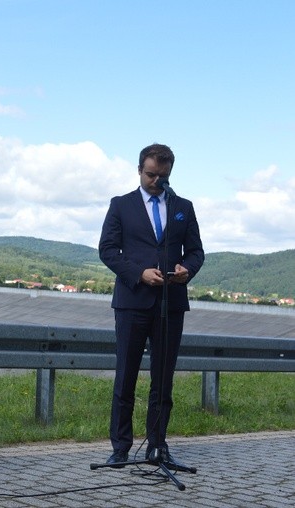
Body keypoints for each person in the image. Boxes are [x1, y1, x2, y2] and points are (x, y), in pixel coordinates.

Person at [98, 143, 204, 469]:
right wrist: (139, 274)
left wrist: (188, 269)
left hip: (170, 305)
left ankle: (157, 445)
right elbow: (107, 249)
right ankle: (120, 448)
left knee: (163, 380)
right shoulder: (121, 205)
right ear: (139, 169)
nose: (156, 181)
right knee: (125, 377)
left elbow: (197, 252)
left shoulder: (182, 206)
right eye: (150, 174)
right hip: (132, 304)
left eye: (163, 176)